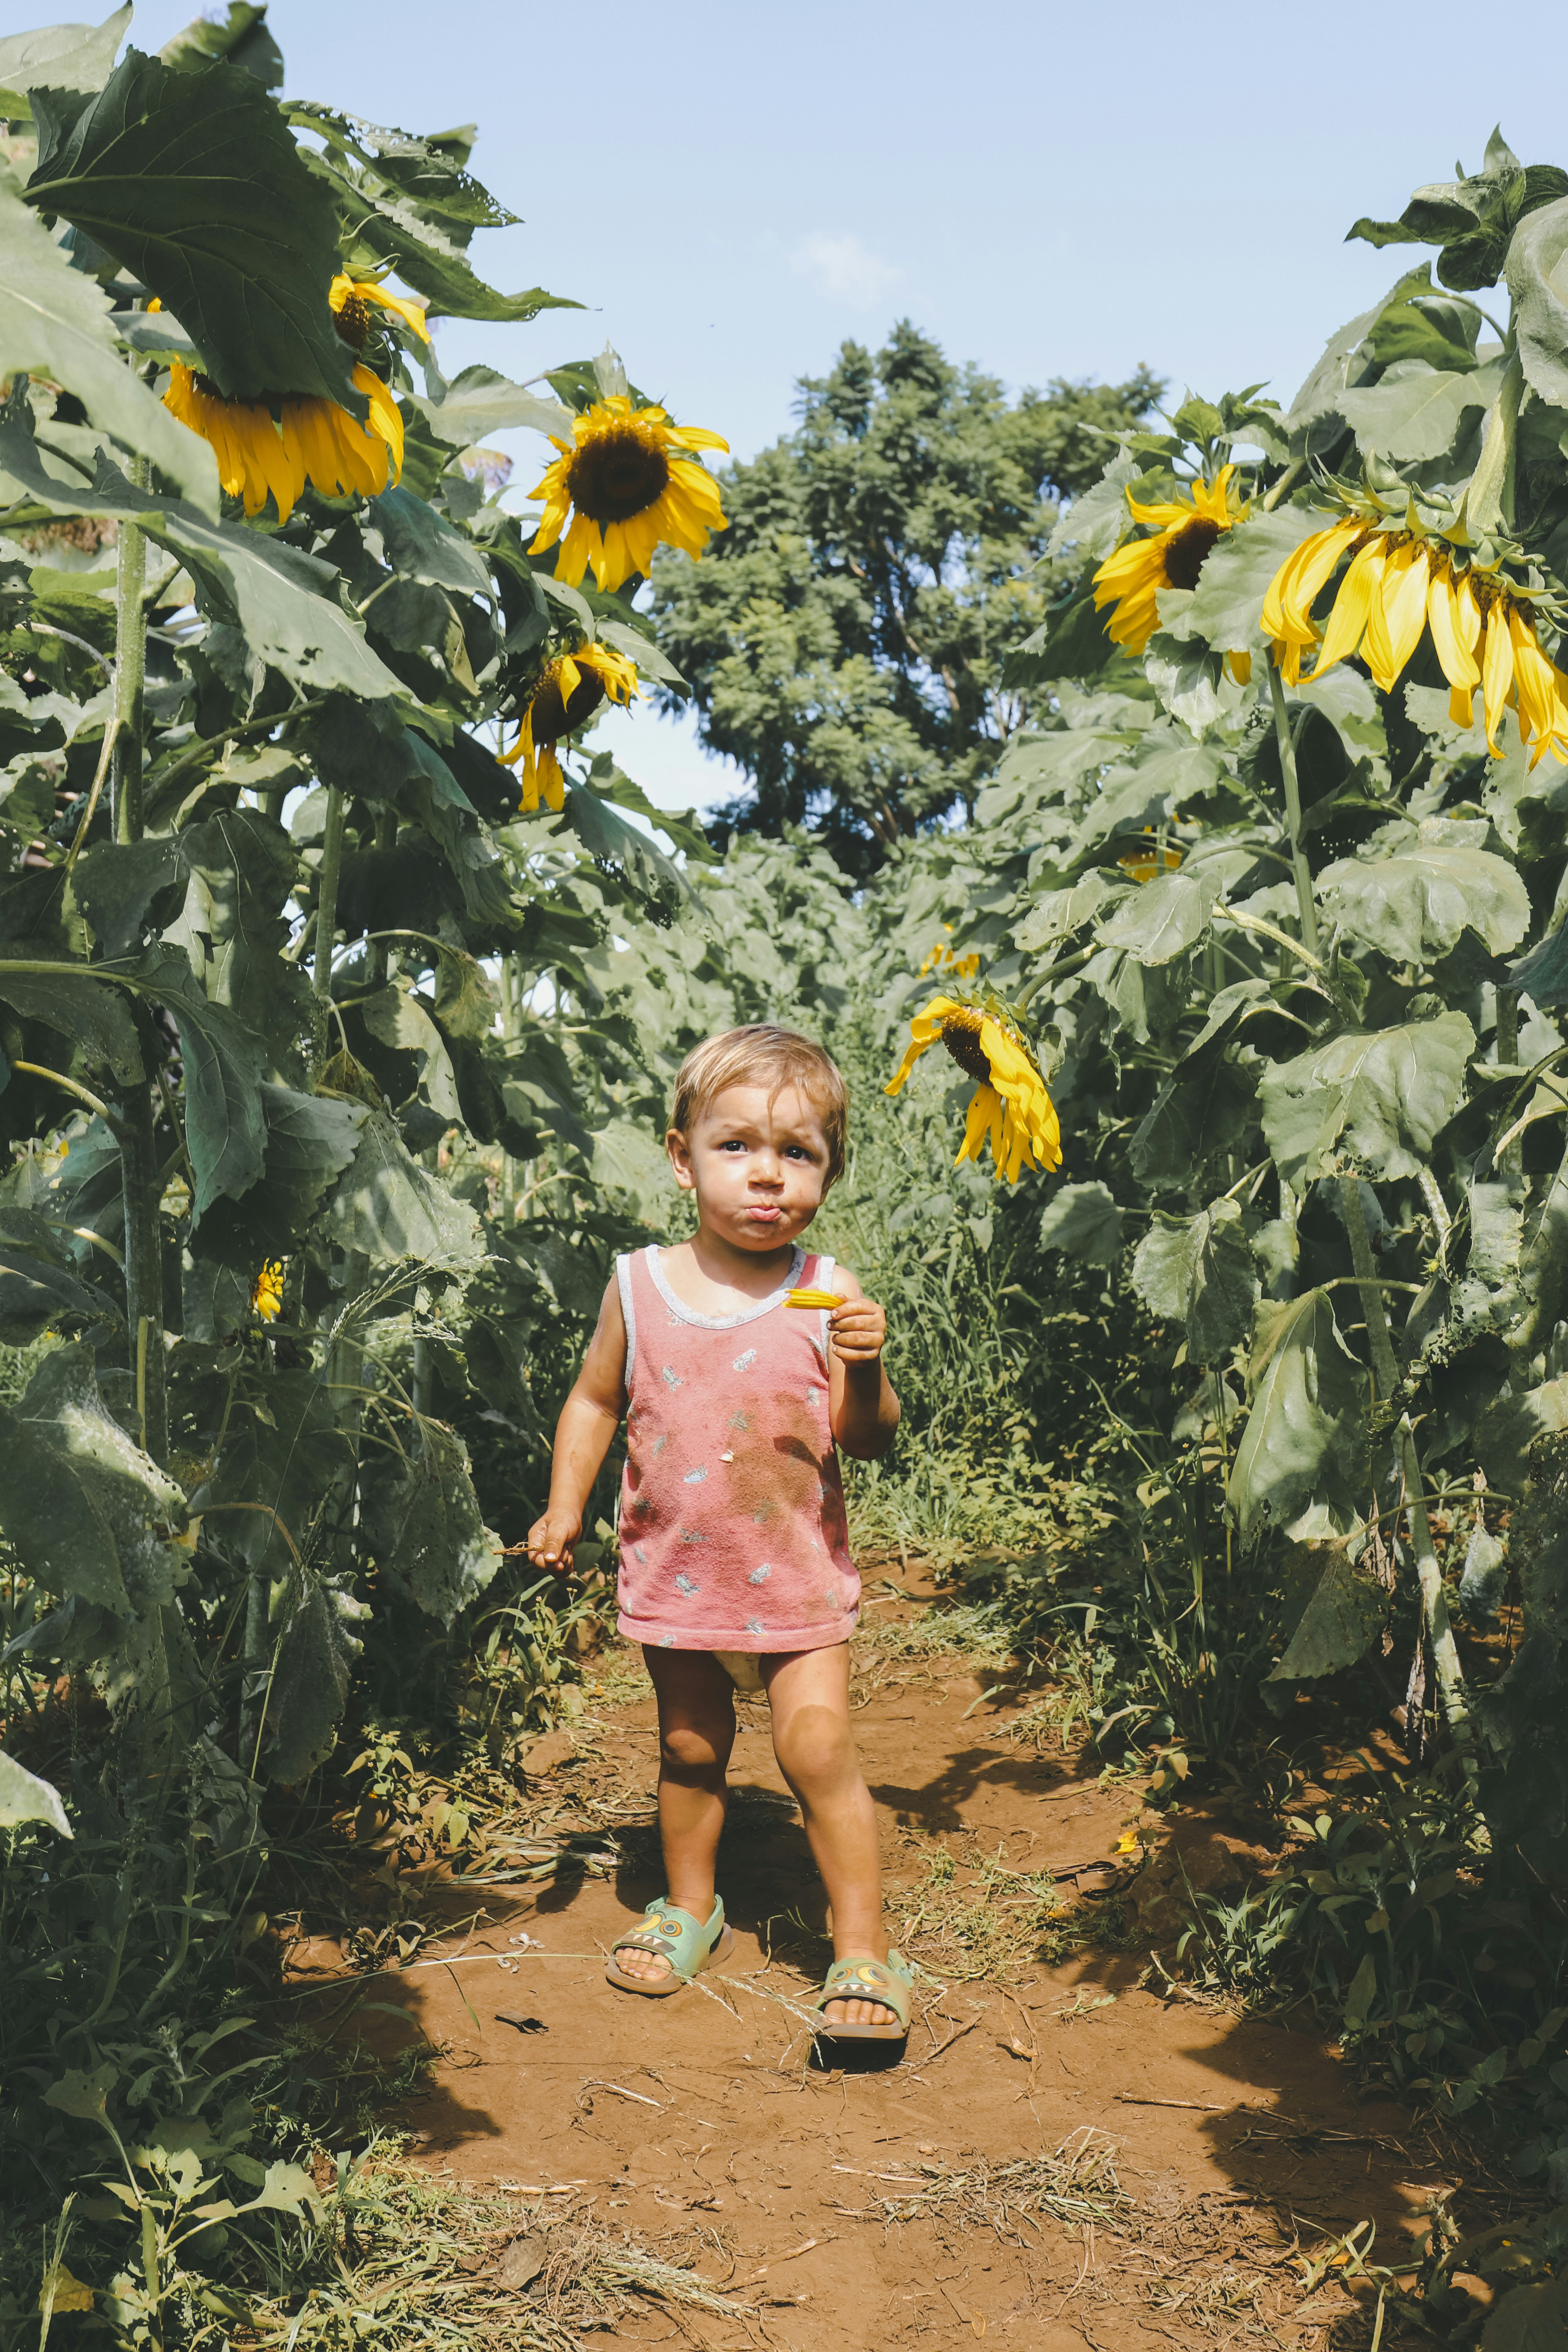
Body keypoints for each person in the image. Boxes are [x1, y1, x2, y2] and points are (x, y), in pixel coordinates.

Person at [526, 1024, 909, 2039]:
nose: (767, 1177)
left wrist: (863, 1365)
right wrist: (565, 1507)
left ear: (830, 1172)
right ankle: (690, 1907)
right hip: (679, 1571)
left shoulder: (829, 1293)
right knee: (692, 1747)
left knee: (816, 1746)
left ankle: (863, 1951)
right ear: (680, 1151)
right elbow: (594, 1402)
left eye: (799, 1154)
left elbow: (864, 1440)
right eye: (736, 1145)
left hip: (791, 1573)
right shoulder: (639, 1286)